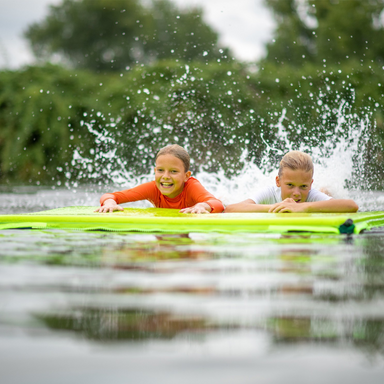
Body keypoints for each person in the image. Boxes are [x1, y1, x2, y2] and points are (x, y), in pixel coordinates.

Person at [95, 144, 224, 214]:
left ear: (186, 176)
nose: (166, 176)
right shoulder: (153, 188)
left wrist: (202, 206)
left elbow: (218, 204)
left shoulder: (191, 186)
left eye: (173, 171)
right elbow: (110, 196)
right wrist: (109, 203)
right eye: (161, 170)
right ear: (155, 171)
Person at [224, 150, 358, 213]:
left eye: (303, 186)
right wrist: (276, 207)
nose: (297, 193)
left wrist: (302, 207)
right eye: (290, 185)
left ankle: (325, 190)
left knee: (325, 193)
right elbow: (231, 209)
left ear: (310, 185)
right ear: (278, 181)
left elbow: (351, 206)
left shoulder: (311, 196)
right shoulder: (271, 192)